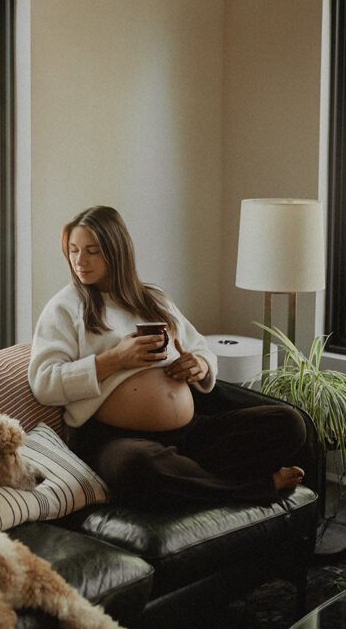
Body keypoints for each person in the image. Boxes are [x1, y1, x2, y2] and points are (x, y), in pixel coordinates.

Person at [28, 205, 305, 507]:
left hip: (190, 434)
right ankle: (251, 489)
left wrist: (198, 365)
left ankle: (187, 473)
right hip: (118, 441)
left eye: (92, 251)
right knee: (139, 466)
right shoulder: (65, 308)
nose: (80, 261)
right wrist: (115, 359)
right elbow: (44, 382)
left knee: (289, 423)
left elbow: (200, 348)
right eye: (73, 250)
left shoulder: (153, 299)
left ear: (117, 250)